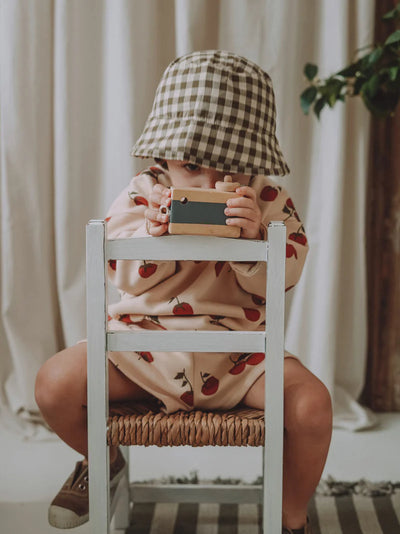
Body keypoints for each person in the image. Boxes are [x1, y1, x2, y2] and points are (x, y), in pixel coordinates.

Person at [35, 50, 332, 534]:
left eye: (231, 166)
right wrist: (154, 236)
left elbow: (288, 275)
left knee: (312, 406)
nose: (213, 183)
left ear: (253, 160)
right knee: (54, 384)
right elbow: (119, 271)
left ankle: (292, 517)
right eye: (194, 164)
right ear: (164, 155)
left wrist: (256, 243)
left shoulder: (269, 200)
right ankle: (102, 459)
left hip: (240, 360)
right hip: (143, 352)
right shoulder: (142, 193)